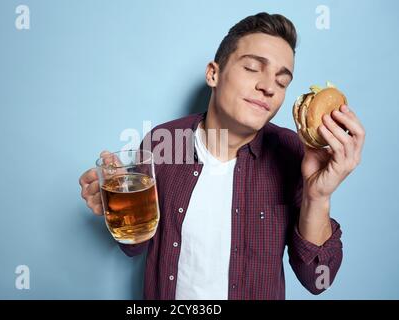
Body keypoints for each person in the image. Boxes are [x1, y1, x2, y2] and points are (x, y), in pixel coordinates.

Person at [79, 12, 365, 300]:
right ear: (213, 74)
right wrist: (115, 204)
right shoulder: (162, 144)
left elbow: (318, 279)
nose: (268, 87)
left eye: (281, 82)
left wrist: (318, 197)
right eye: (253, 68)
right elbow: (135, 246)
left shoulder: (293, 153)